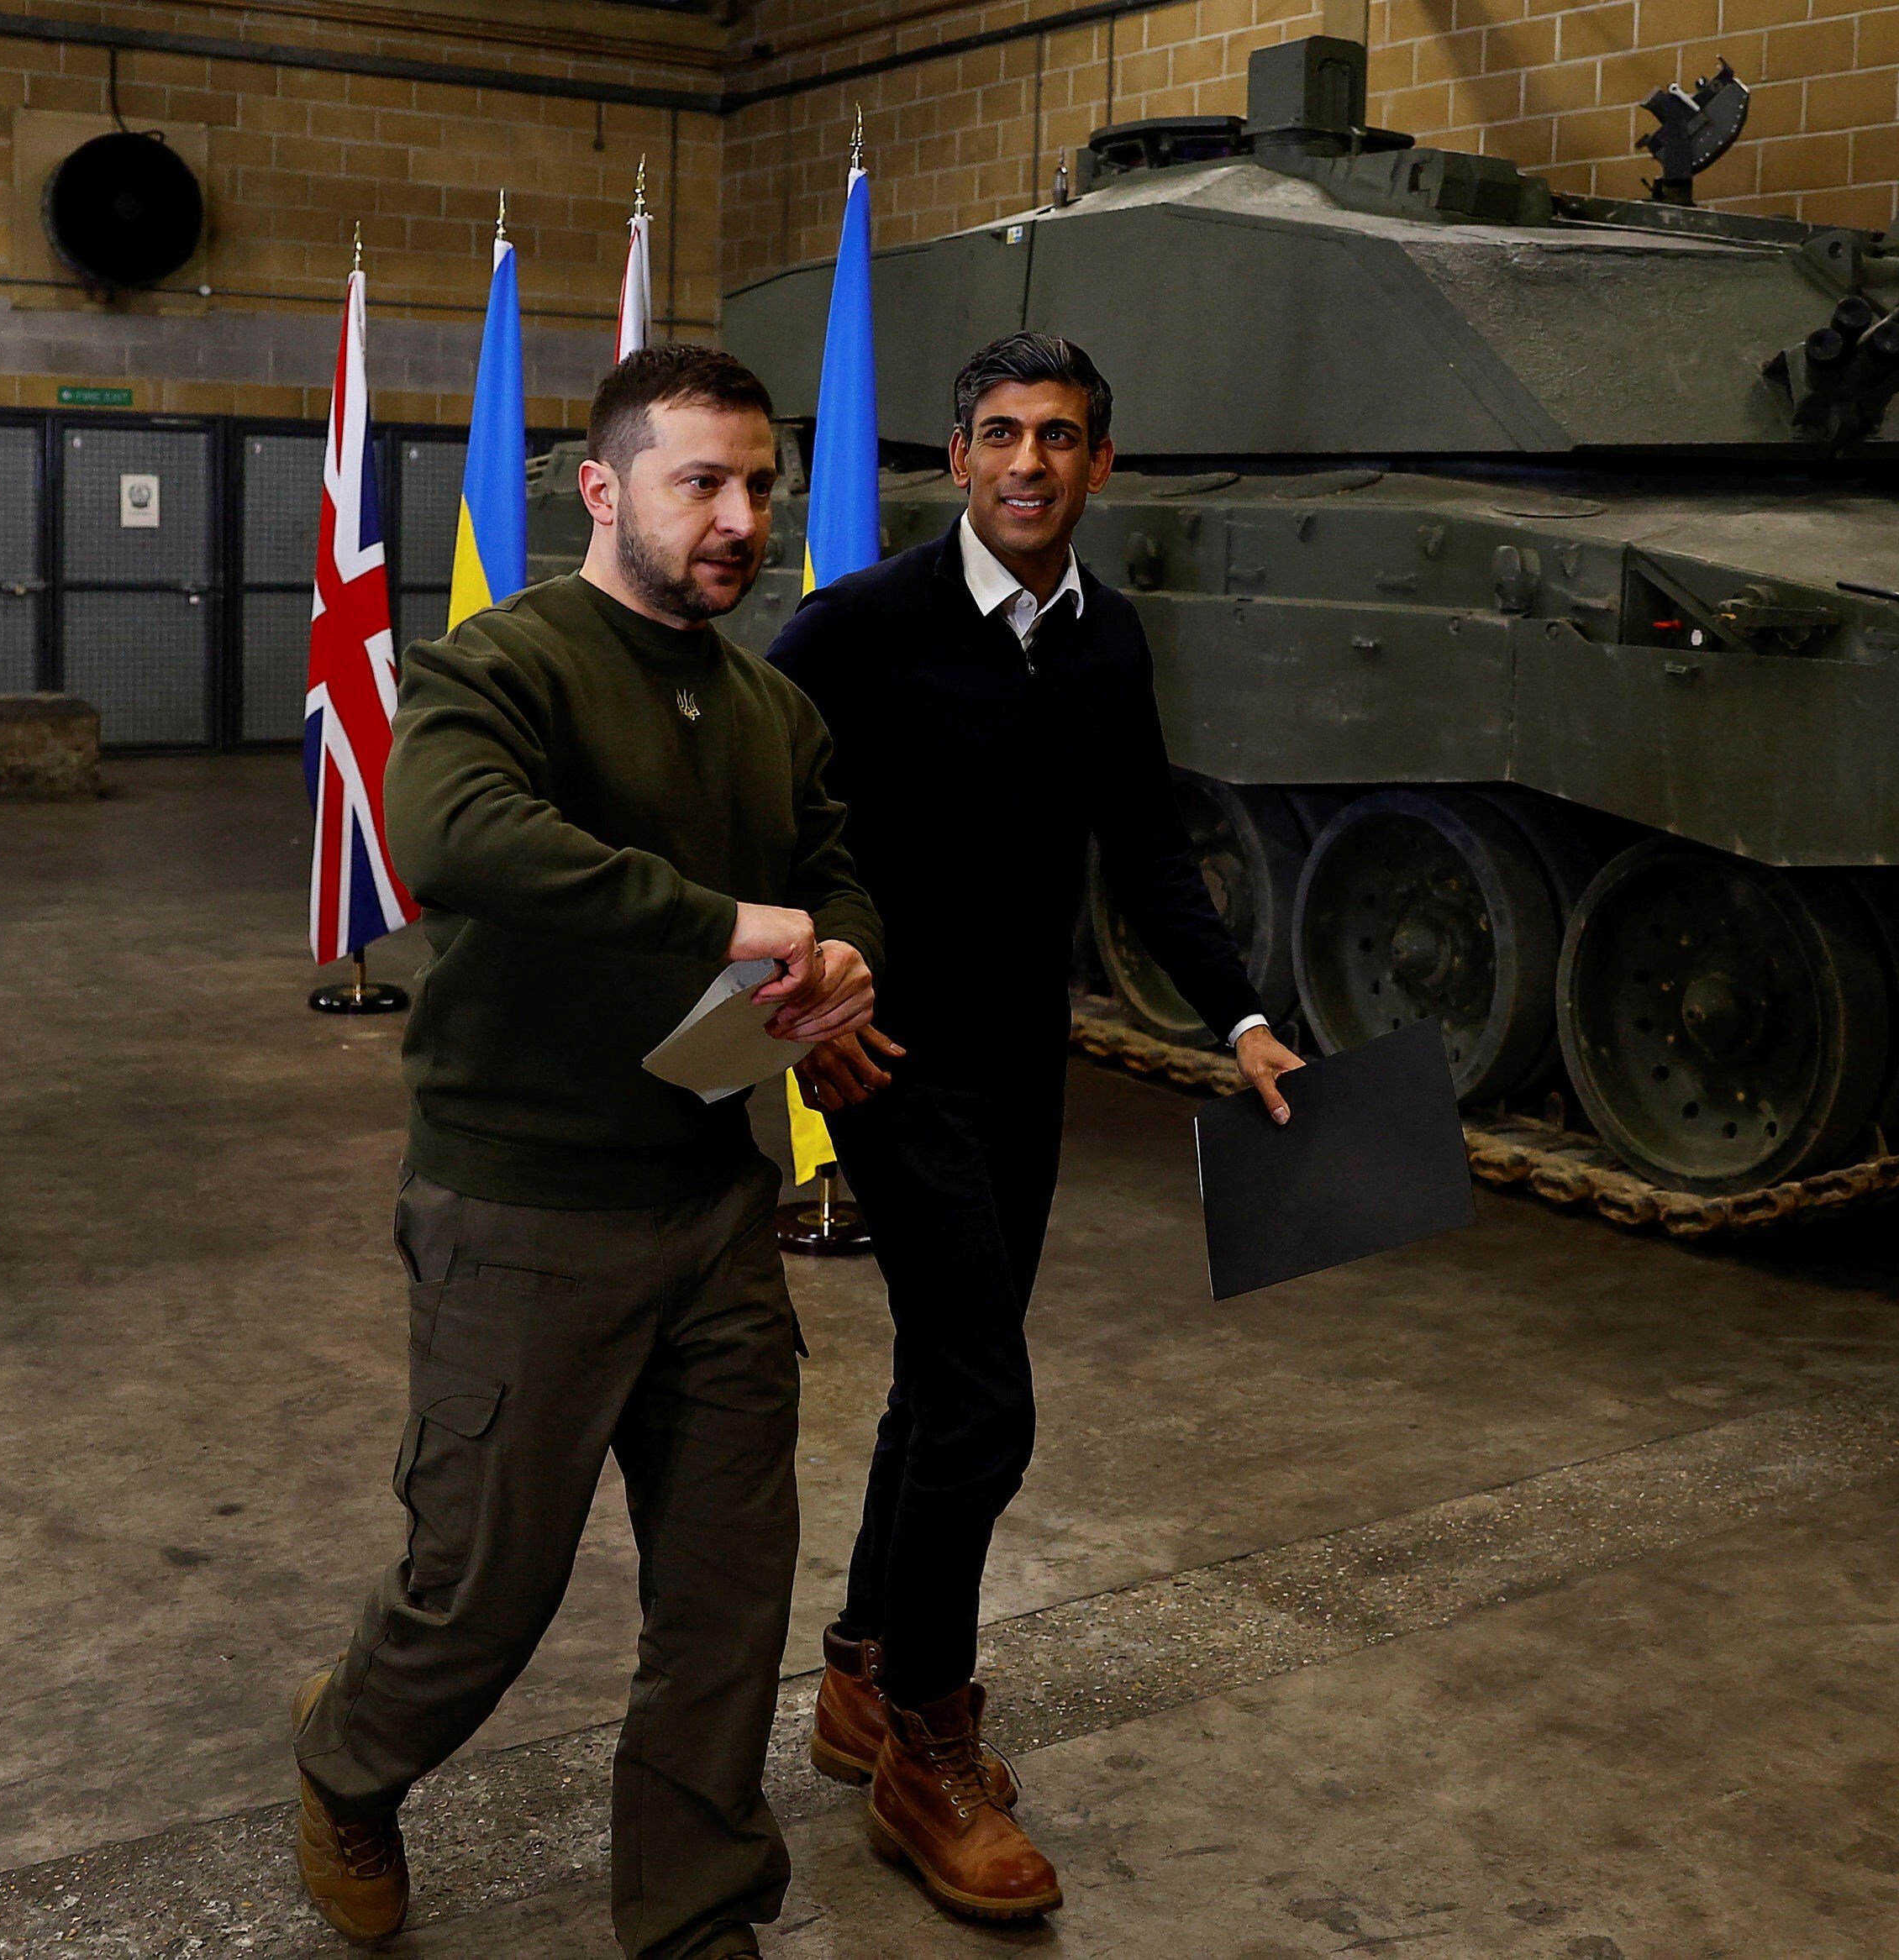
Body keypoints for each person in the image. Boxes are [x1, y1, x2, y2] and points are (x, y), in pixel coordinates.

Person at [288, 343, 885, 1960]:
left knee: (724, 1595)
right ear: (606, 490)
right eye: (703, 481)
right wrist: (735, 923)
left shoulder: (769, 705)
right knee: (482, 1584)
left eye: (761, 484)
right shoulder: (506, 662)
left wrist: (842, 957)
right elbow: (452, 836)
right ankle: (349, 1759)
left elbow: (837, 871)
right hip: (524, 1203)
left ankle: (697, 1917)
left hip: (710, 1200)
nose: (743, 516)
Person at [767, 331, 1305, 1921]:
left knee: (948, 1370)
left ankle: (861, 1661)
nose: (1027, 464)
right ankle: (927, 1741)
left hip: (1025, 1058)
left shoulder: (1107, 641)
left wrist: (1244, 1016)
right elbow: (753, 810)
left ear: (1099, 466)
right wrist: (796, 997)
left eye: (1059, 438)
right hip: (890, 1062)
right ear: (954, 457)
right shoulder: (857, 630)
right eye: (999, 434)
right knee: (990, 1402)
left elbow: (1144, 848)